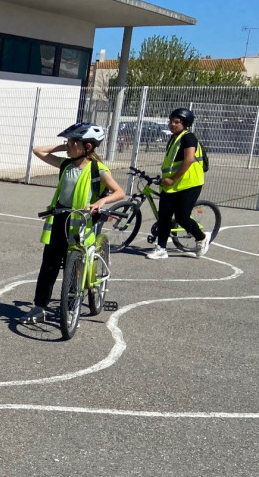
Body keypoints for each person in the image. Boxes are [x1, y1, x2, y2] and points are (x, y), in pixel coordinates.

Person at [25, 122, 125, 324]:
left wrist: (101, 201)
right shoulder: (65, 165)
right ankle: (40, 307)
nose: (68, 145)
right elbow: (37, 151)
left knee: (76, 266)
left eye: (72, 142)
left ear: (87, 146)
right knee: (50, 265)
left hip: (84, 222)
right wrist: (65, 147)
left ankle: (71, 308)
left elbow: (120, 192)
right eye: (67, 142)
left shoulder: (98, 169)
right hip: (62, 218)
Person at [148, 107, 209, 259]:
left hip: (189, 184)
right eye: (171, 121)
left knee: (182, 217)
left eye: (176, 122)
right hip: (171, 185)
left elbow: (188, 159)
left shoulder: (189, 137)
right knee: (164, 217)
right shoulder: (174, 138)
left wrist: (173, 179)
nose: (172, 124)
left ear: (185, 123)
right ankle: (161, 248)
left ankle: (201, 237)